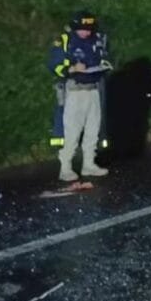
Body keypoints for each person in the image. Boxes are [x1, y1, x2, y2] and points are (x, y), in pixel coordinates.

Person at [47, 10, 112, 181]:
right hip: (75, 92)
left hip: (93, 90)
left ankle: (89, 165)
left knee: (93, 130)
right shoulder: (65, 41)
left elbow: (103, 56)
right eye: (83, 28)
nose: (86, 32)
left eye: (89, 28)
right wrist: (72, 69)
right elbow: (54, 65)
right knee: (72, 132)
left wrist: (104, 64)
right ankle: (65, 168)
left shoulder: (97, 38)